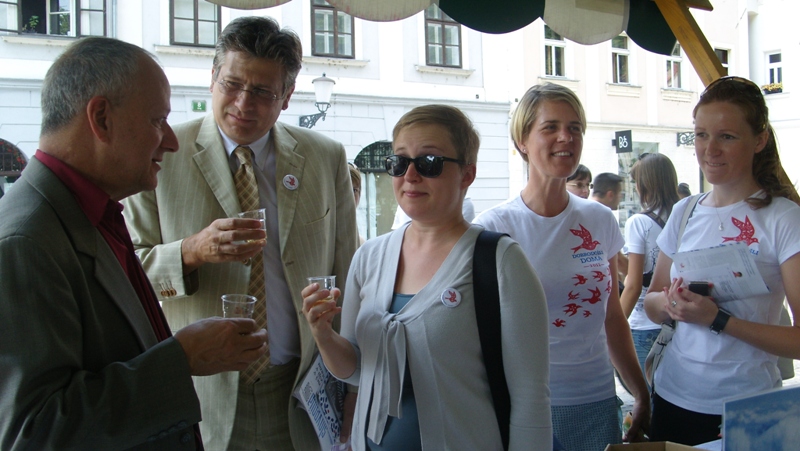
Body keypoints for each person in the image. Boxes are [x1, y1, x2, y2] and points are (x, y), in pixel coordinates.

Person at [0, 37, 268, 450]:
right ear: (101, 118)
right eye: (157, 121)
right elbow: (35, 432)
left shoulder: (91, 213)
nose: (171, 141)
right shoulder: (25, 241)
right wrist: (180, 359)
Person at [121, 17, 359, 450]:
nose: (243, 103)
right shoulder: (162, 154)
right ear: (212, 78)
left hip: (299, 391)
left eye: (263, 92)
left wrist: (352, 385)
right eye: (232, 84)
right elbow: (127, 271)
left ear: (287, 96)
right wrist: (191, 251)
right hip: (201, 394)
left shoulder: (325, 157)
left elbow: (348, 274)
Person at [302, 105, 552, 450]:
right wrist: (323, 334)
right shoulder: (369, 257)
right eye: (399, 162)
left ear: (467, 174)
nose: (410, 175)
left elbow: (531, 397)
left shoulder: (501, 262)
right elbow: (359, 371)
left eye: (429, 162)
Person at [474, 83, 649, 450]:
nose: (565, 137)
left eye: (575, 128)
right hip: (526, 406)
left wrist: (640, 391)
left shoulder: (599, 219)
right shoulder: (493, 228)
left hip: (597, 399)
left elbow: (611, 316)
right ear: (522, 140)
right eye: (550, 127)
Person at [643, 76, 800, 445]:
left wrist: (718, 319)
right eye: (701, 135)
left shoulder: (783, 218)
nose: (709, 150)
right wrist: (672, 304)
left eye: (726, 136)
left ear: (759, 140)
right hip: (673, 397)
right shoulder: (684, 211)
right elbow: (651, 304)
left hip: (747, 407)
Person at [619, 154, 681, 384]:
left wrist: (614, 327)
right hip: (680, 321)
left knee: (646, 395)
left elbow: (634, 283)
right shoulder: (686, 217)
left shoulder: (639, 222)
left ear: (644, 184)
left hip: (645, 324)